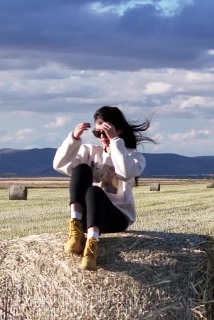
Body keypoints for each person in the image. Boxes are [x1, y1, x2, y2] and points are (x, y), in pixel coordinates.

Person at [53, 106, 154, 270]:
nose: (101, 137)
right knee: (81, 170)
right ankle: (76, 230)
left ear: (119, 130)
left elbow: (126, 172)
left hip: (116, 218)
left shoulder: (133, 157)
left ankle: (91, 247)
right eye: (97, 133)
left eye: (105, 132)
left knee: (95, 192)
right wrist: (73, 138)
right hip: (89, 216)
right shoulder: (89, 151)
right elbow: (59, 165)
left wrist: (115, 142)